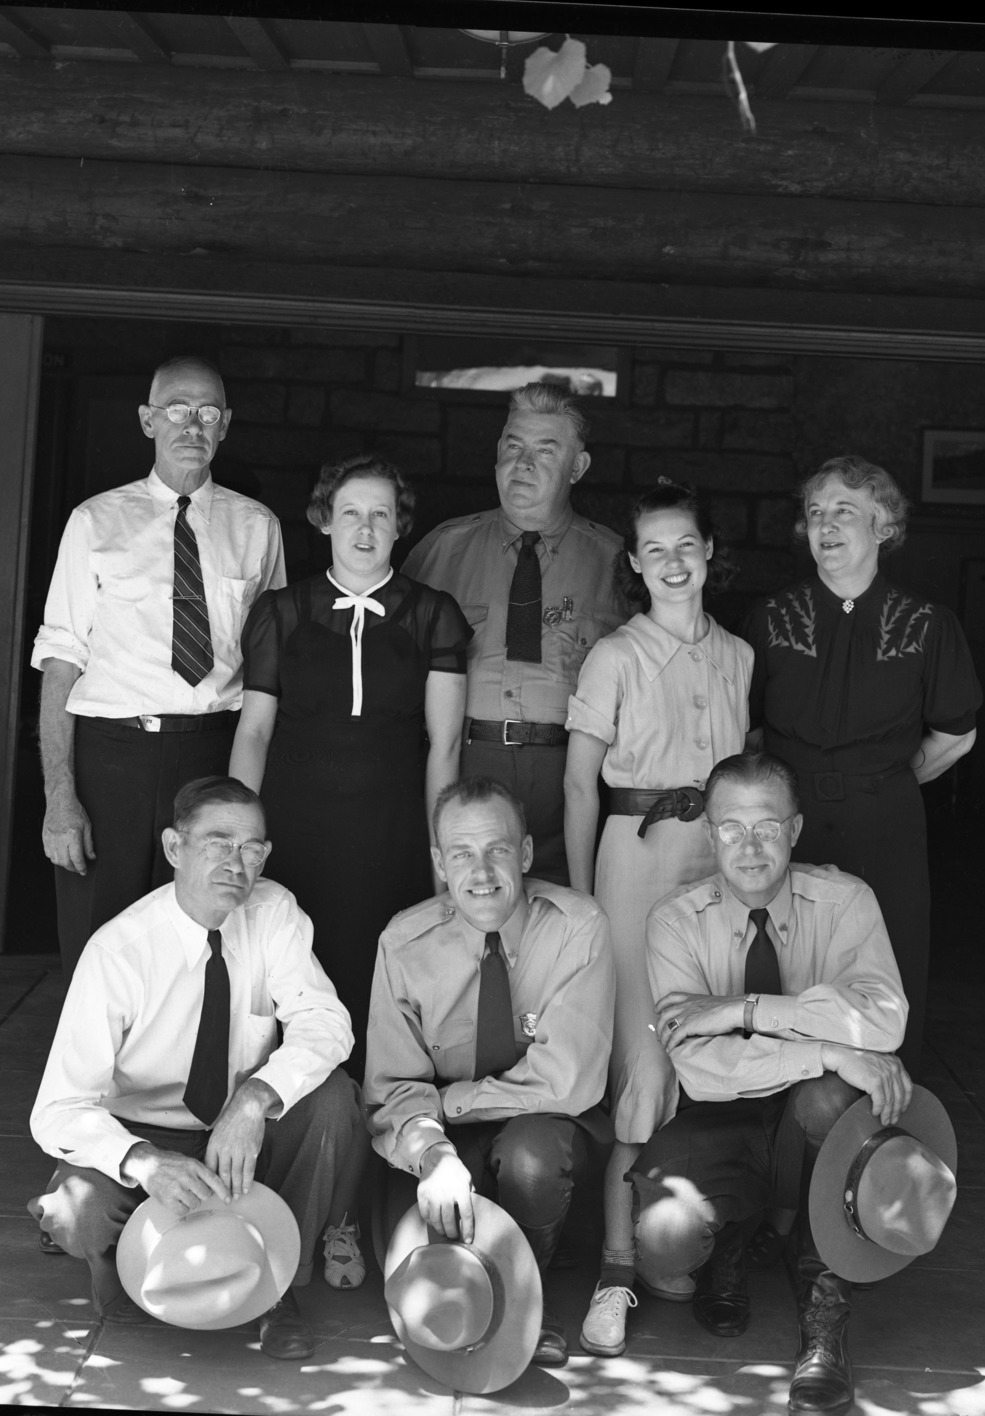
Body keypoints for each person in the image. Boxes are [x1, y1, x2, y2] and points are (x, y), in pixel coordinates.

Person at [29, 776, 364, 1362]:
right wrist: (142, 1161)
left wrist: (257, 1096)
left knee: (334, 1099)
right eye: (219, 842)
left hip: (240, 1130)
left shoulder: (274, 912)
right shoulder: (119, 951)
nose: (239, 863)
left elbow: (327, 1023)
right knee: (80, 1214)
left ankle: (275, 1284)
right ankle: (110, 1244)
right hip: (145, 1134)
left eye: (254, 847)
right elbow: (57, 1107)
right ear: (173, 848)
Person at [634, 751, 910, 1416]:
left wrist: (745, 1012)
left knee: (829, 1098)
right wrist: (826, 1048)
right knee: (664, 1238)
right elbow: (697, 1063)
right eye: (731, 828)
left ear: (796, 829)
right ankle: (734, 1243)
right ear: (709, 835)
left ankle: (825, 1311)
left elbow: (884, 1021)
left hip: (812, 1124)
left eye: (767, 827)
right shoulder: (676, 921)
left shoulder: (847, 904)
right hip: (720, 1118)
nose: (750, 846)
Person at [560, 480, 753, 1357]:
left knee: (709, 1046)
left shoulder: (741, 657)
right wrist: (578, 901)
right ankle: (615, 1272)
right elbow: (576, 783)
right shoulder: (615, 656)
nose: (674, 562)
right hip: (634, 862)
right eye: (655, 549)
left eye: (688, 545)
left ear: (709, 552)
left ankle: (692, 1240)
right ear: (634, 564)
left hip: (717, 868)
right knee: (642, 1053)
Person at [33, 355, 286, 975]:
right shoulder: (94, 522)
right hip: (111, 757)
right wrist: (59, 796)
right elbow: (61, 663)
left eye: (206, 412)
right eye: (176, 409)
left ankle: (187, 1070)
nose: (191, 424)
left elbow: (271, 669)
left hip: (212, 754)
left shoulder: (258, 528)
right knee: (101, 942)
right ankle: (96, 1071)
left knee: (204, 939)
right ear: (148, 420)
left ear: (225, 424)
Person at [229, 454, 470, 1084]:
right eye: (351, 513)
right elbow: (253, 730)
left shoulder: (432, 614)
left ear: (400, 527)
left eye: (380, 515)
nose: (365, 528)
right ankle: (289, 1113)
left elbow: (444, 746)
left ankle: (381, 1119)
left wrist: (440, 851)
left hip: (390, 829)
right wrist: (237, 840)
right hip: (297, 825)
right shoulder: (282, 612)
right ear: (325, 522)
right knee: (291, 969)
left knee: (380, 976)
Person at [365, 776, 615, 1372]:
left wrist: (447, 1103)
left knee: (529, 1157)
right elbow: (393, 1088)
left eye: (497, 849)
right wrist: (433, 1153)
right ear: (438, 864)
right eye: (461, 853)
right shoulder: (404, 943)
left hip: (545, 1126)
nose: (481, 871)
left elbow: (566, 1081)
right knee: (419, 1251)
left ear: (525, 853)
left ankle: (529, 1299)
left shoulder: (578, 926)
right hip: (444, 1130)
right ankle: (477, 1308)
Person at [744, 455, 980, 1070]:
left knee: (889, 963)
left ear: (883, 525)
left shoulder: (929, 625)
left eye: (844, 511)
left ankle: (884, 1124)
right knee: (787, 958)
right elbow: (745, 732)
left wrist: (882, 779)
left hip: (885, 820)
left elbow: (956, 734)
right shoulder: (770, 620)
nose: (825, 525)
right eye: (816, 512)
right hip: (787, 820)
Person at [402, 383, 626, 885]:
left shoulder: (616, 565)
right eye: (512, 446)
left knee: (565, 933)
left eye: (545, 451)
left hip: (572, 779)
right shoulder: (440, 551)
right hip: (466, 765)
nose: (522, 463)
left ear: (578, 468)